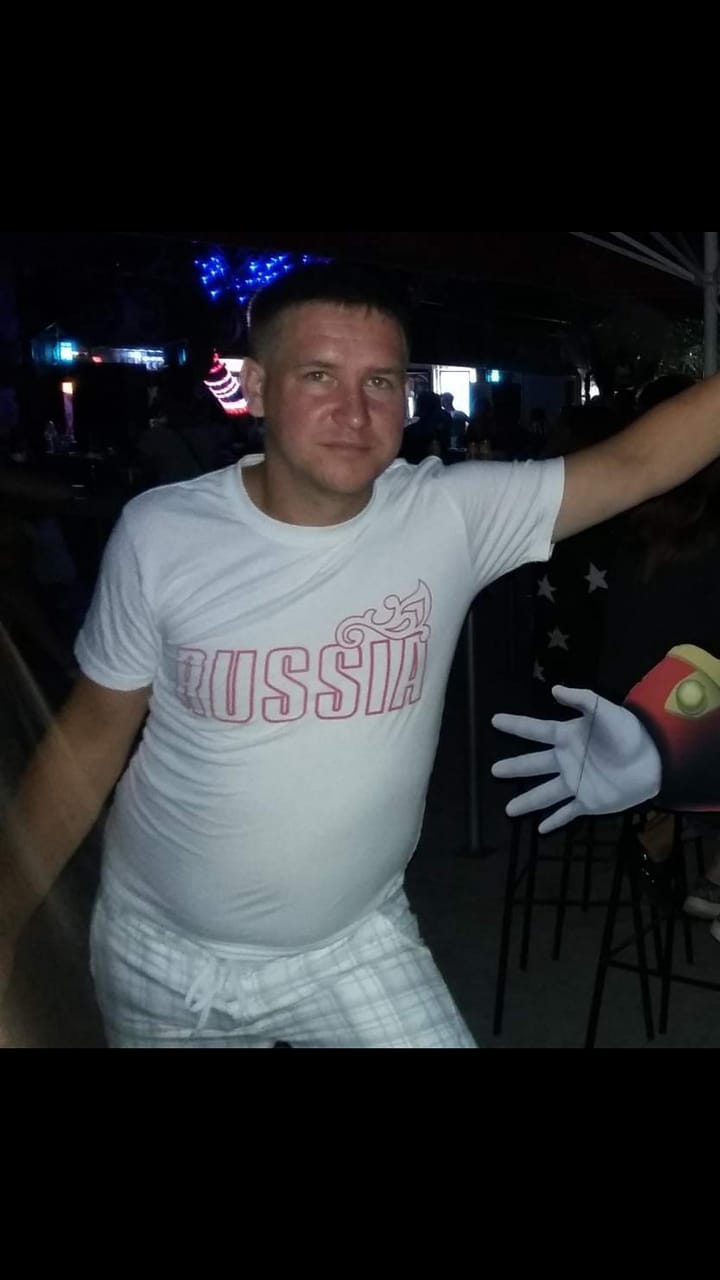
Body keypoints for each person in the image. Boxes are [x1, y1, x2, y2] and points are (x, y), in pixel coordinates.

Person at [5, 263, 720, 1048]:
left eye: (380, 382)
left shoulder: (447, 513)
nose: (354, 412)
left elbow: (638, 463)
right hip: (157, 953)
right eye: (319, 375)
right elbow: (89, 741)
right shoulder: (162, 534)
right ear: (258, 387)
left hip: (351, 947)